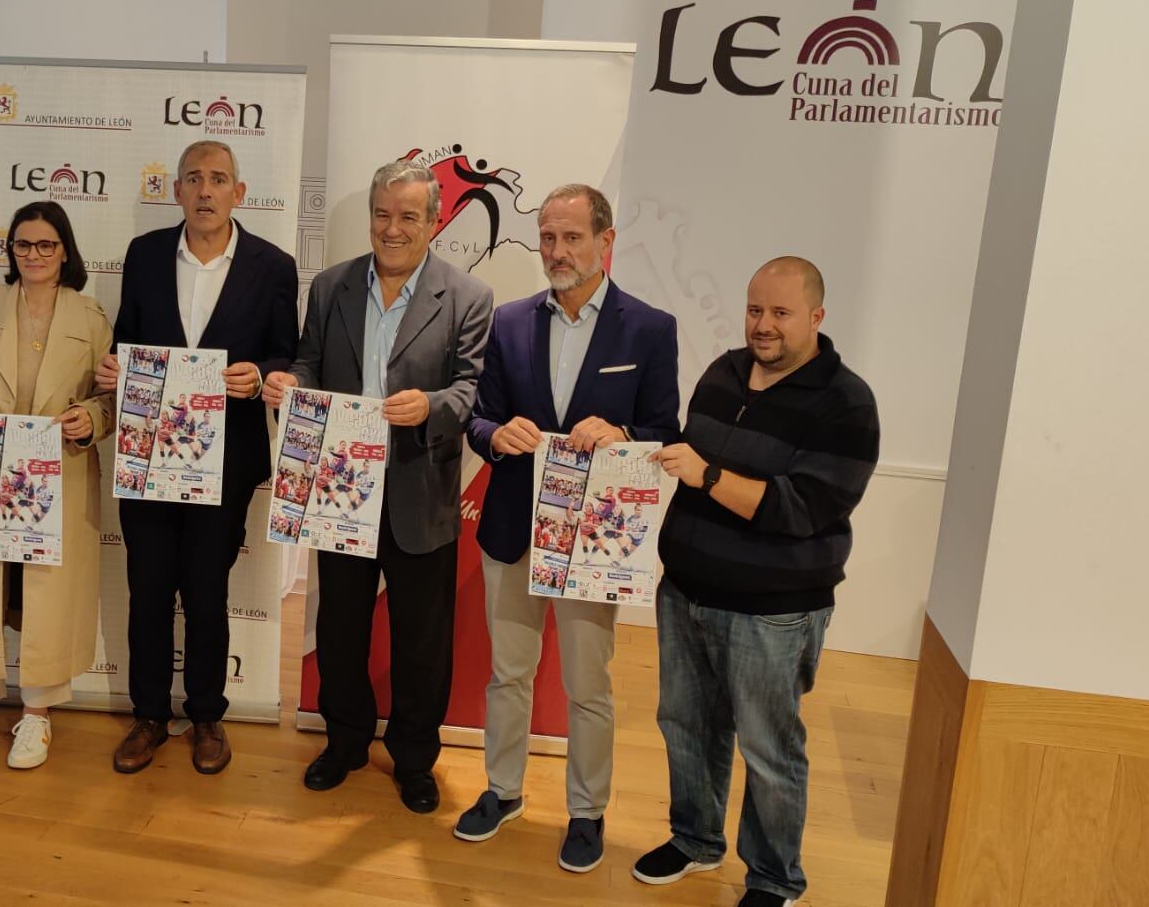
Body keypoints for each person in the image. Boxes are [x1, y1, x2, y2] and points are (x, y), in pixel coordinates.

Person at [633, 256, 879, 907]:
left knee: (770, 747)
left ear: (817, 317)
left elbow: (803, 509)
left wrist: (707, 474)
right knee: (685, 724)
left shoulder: (846, 403)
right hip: (684, 591)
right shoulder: (723, 372)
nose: (762, 325)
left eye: (780, 312)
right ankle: (694, 839)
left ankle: (774, 877)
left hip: (773, 611)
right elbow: (684, 456)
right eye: (754, 310)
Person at [455, 184, 680, 872]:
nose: (556, 250)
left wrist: (620, 433)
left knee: (588, 684)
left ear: (605, 242)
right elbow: (479, 418)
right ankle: (503, 790)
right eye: (549, 237)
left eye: (572, 237)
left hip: (594, 541)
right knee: (508, 673)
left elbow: (665, 433)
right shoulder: (512, 319)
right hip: (513, 529)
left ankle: (587, 811)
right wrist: (499, 433)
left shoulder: (649, 328)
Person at [262, 160, 491, 813]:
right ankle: (345, 740)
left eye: (408, 216)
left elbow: (472, 391)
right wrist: (292, 384)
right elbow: (307, 359)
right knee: (339, 625)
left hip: (420, 488)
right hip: (337, 485)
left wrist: (432, 407)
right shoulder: (331, 286)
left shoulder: (468, 297)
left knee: (422, 637)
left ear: (434, 221)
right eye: (382, 214)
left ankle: (415, 759)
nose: (392, 228)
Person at [99, 141, 298, 775]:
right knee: (148, 587)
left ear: (239, 193)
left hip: (228, 455)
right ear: (177, 191)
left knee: (207, 590)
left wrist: (260, 373)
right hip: (147, 450)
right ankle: (149, 715)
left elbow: (288, 355)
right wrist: (112, 368)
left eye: (218, 180)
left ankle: (208, 714)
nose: (205, 191)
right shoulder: (146, 254)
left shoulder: (273, 265)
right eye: (194, 180)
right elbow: (126, 339)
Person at [0, 201, 115, 770]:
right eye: (23, 245)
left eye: (46, 245)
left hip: (57, 470)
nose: (33, 255)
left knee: (46, 595)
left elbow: (111, 394)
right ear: (10, 249)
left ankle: (37, 716)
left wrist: (92, 418)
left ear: (65, 251)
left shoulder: (91, 316)